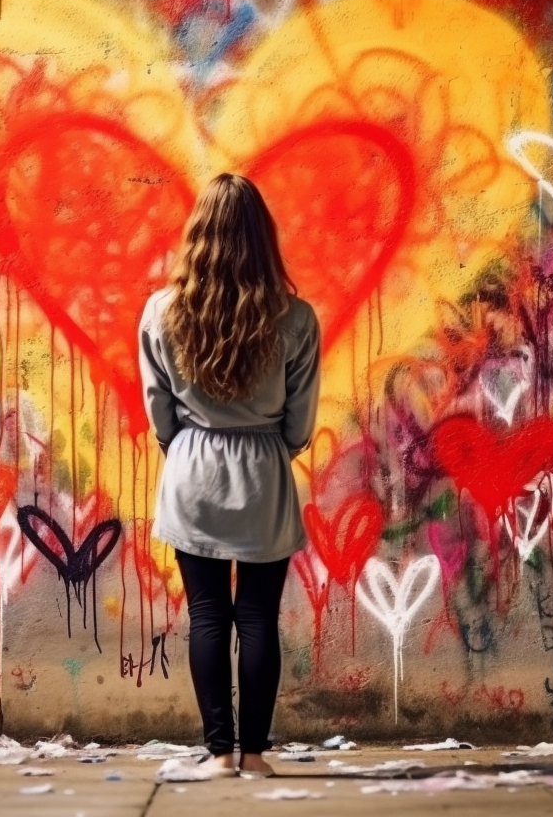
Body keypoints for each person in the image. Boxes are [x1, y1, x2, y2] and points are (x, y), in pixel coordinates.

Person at [138, 173, 320, 778]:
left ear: (199, 236)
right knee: (258, 616)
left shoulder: (162, 312)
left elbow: (157, 408)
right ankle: (258, 754)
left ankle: (219, 754)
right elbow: (300, 422)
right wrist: (269, 446)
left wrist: (186, 445)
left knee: (208, 615)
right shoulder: (295, 318)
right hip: (264, 470)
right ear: (263, 239)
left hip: (192, 469)